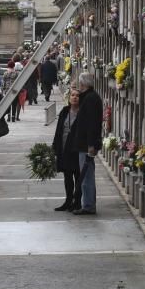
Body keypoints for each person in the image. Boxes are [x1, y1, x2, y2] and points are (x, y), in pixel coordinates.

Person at [70, 72, 103, 215]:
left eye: (80, 83)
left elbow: (92, 124)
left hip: (86, 144)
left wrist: (91, 145)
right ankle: (88, 203)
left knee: (87, 176)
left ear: (84, 84)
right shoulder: (90, 97)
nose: (79, 85)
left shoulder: (90, 99)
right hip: (85, 143)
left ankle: (88, 205)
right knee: (87, 175)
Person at [52, 88, 83, 212]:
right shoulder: (65, 111)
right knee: (67, 176)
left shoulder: (83, 112)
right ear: (69, 98)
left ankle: (77, 202)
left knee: (78, 176)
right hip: (64, 147)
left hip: (76, 149)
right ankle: (68, 200)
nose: (74, 97)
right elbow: (59, 129)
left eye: (77, 96)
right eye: (72, 95)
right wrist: (55, 146)